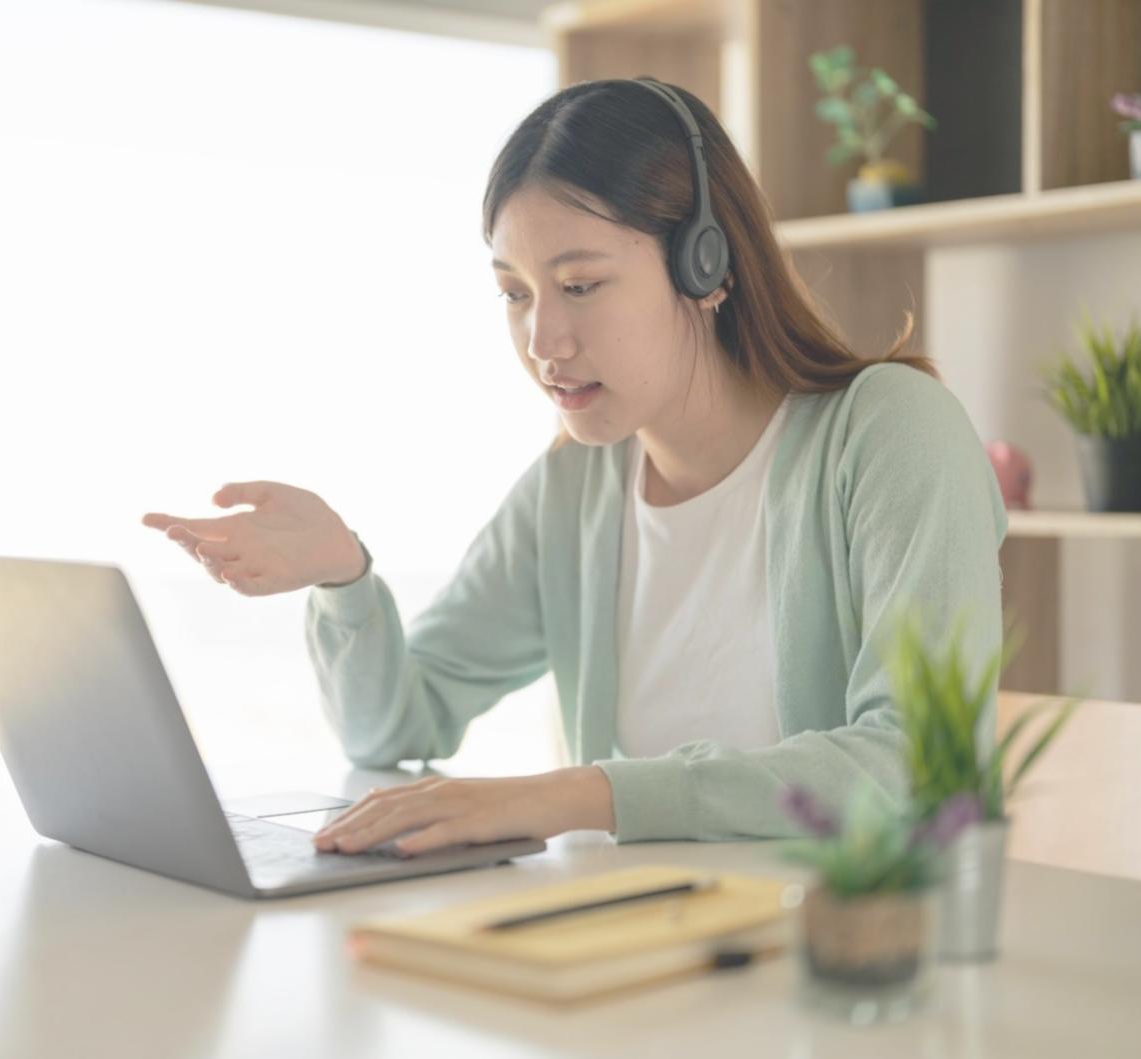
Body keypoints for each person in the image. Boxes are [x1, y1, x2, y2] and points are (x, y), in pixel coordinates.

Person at [140, 78, 1005, 857]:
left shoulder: (890, 433)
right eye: (515, 292)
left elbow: (922, 763)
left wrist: (576, 795)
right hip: (637, 944)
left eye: (581, 285)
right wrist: (344, 579)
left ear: (707, 265)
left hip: (848, 956)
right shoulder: (575, 488)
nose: (542, 341)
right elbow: (395, 725)